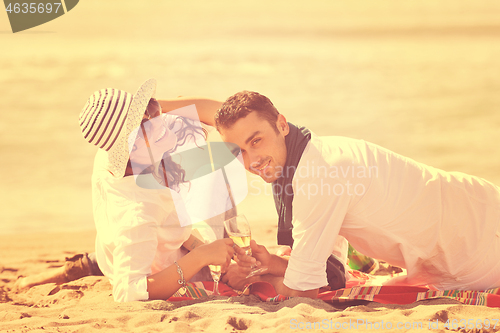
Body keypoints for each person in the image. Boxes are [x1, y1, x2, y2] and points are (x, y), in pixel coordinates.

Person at [216, 90, 500, 298]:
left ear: (281, 124)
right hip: (477, 209)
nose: (251, 159)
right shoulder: (313, 153)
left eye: (256, 141)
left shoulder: (318, 176)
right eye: (238, 151)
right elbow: (321, 267)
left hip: (476, 252)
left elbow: (303, 291)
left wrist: (251, 281)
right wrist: (272, 264)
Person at [14, 79, 237, 302]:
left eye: (150, 110)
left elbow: (223, 114)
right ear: (130, 148)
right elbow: (128, 291)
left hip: (127, 246)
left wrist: (157, 107)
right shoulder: (137, 212)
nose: (158, 122)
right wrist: (202, 256)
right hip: (159, 265)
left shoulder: (117, 154)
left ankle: (70, 270)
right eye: (142, 126)